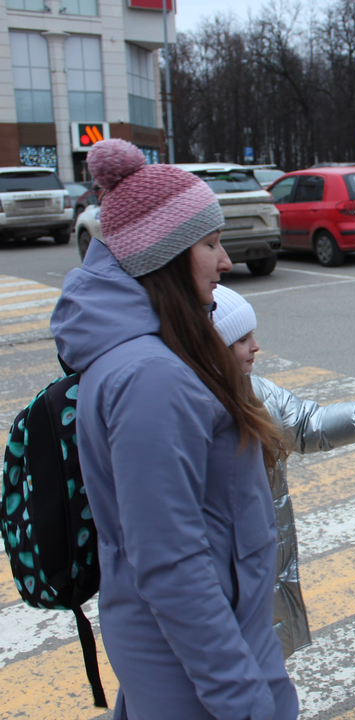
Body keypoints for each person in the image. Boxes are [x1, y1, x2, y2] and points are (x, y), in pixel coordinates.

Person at [50, 139, 298, 720]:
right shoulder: (151, 376)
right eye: (210, 244)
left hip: (202, 650)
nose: (226, 261)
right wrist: (243, 702)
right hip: (204, 671)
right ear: (164, 255)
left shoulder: (151, 357)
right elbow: (169, 562)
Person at [210, 285, 355, 659]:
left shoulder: (257, 392)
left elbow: (305, 424)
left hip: (264, 562)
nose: (256, 346)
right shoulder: (200, 409)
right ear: (213, 349)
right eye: (243, 339)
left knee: (264, 663)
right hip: (228, 576)